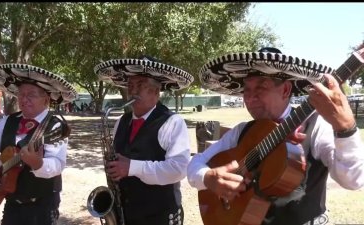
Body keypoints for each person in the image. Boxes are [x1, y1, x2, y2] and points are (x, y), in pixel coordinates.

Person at [187, 47, 364, 225]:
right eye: (246, 90)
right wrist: (207, 178)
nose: (250, 98)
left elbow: (353, 181)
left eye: (260, 87)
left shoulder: (316, 126)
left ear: (286, 90)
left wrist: (346, 129)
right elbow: (195, 163)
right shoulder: (242, 131)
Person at [94, 56, 194, 225]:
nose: (132, 91)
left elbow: (179, 169)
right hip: (126, 214)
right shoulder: (121, 122)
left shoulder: (173, 122)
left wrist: (132, 167)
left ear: (155, 92)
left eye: (139, 85)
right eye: (130, 86)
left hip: (159, 216)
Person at [0, 64, 77, 225]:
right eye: (21, 94)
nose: (24, 99)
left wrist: (38, 164)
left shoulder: (55, 127)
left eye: (31, 94)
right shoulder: (9, 120)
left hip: (42, 207)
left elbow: (58, 164)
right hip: (11, 203)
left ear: (46, 99)